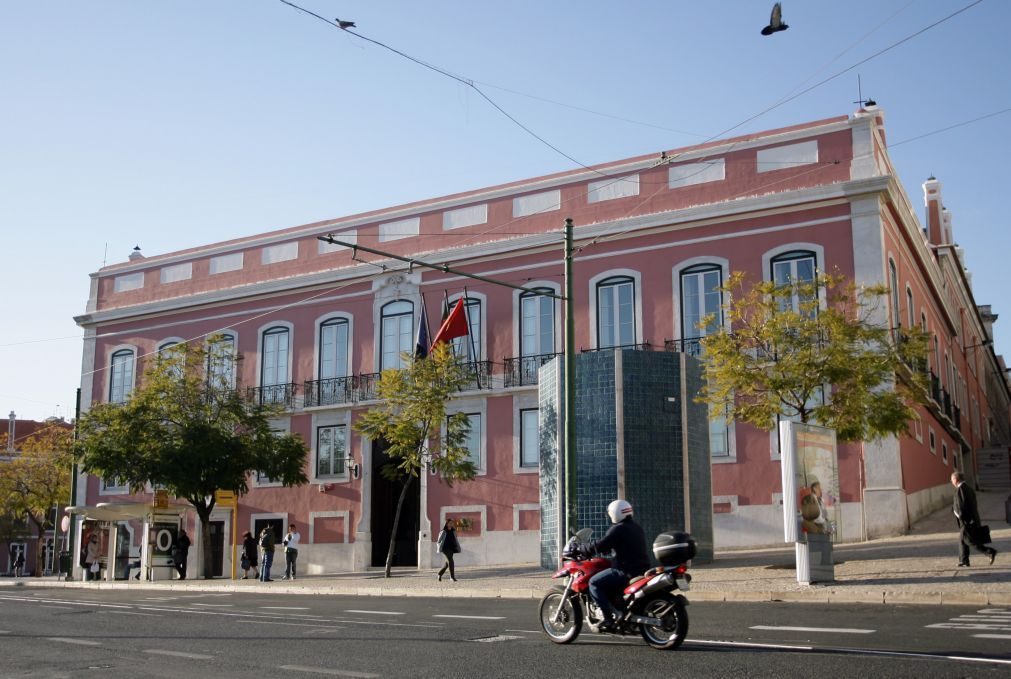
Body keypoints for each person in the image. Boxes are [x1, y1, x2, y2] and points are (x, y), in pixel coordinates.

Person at [588, 499, 650, 633]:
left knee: (593, 582)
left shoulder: (618, 529)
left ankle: (607, 619)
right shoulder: (636, 527)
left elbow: (601, 545)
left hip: (625, 571)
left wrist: (585, 548)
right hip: (641, 569)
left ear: (614, 513)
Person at [951, 471, 997, 567]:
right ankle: (964, 560)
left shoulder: (961, 489)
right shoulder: (968, 488)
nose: (951, 482)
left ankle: (989, 552)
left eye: (952, 480)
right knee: (962, 540)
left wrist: (960, 516)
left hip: (966, 521)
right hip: (971, 519)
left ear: (955, 479)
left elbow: (962, 506)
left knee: (969, 540)